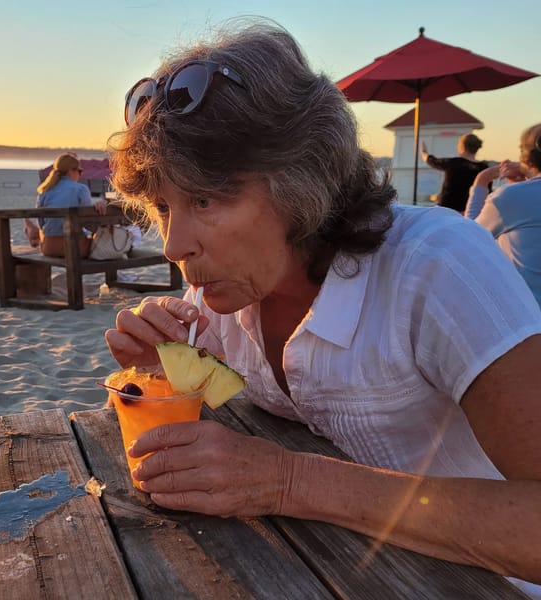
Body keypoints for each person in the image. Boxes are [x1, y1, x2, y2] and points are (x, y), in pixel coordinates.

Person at [103, 20, 541, 597]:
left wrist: (288, 480)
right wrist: (153, 379)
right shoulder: (226, 295)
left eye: (204, 199)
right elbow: (208, 430)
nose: (173, 244)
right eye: (163, 207)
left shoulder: (436, 266)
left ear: (299, 179)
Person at [464, 123, 541, 307]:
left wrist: (481, 181)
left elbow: (469, 237)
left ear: (526, 156)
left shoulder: (511, 197)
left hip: (529, 313)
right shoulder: (515, 195)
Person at [25, 153, 106, 257]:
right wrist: (99, 209)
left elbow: (41, 224)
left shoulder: (45, 191)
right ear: (70, 171)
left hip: (49, 248)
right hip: (75, 248)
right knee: (103, 241)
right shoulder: (81, 189)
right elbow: (88, 223)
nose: (80, 175)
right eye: (79, 171)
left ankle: (32, 233)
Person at [420, 134, 489, 213]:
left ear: (462, 147)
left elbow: (432, 161)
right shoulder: (483, 168)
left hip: (448, 209)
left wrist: (423, 152)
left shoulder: (453, 163)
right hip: (470, 212)